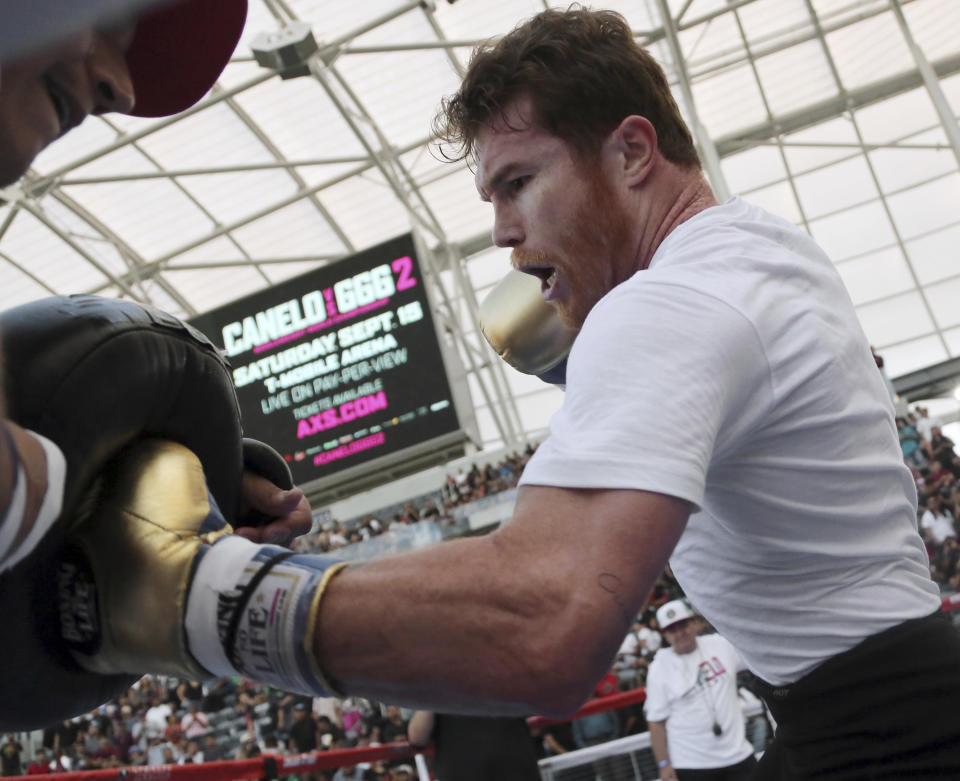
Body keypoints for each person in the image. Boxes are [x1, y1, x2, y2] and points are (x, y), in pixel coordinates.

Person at [13, 6, 960, 779]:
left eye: (519, 182)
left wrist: (198, 594)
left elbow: (543, 621)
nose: (504, 233)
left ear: (633, 152)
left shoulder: (673, 304)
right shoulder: (759, 249)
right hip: (882, 702)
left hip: (881, 742)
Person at [644, 600, 755, 781]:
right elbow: (656, 722)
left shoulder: (719, 644)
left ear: (694, 623)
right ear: (666, 636)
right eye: (673, 630)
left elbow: (755, 659)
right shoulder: (659, 667)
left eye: (684, 625)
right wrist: (664, 764)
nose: (680, 633)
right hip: (692, 764)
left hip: (739, 755)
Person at [407, 710, 540, 781]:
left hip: (517, 771)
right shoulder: (438, 688)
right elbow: (417, 738)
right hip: (461, 774)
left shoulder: (502, 671)